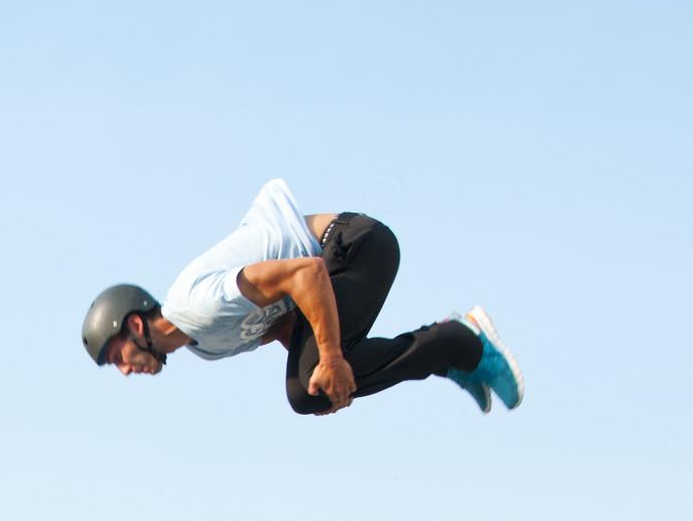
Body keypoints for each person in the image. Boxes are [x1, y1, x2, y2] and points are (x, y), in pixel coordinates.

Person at [81, 178, 521, 416]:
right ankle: (445, 352)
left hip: (355, 246)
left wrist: (329, 359)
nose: (123, 371)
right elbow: (285, 324)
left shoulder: (195, 306)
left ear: (135, 326)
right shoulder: (206, 347)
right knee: (308, 389)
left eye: (117, 356)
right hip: (332, 271)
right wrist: (329, 381)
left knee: (311, 382)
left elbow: (306, 274)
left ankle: (460, 342)